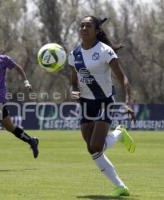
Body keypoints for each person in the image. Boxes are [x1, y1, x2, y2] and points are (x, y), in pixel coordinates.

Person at [68, 16, 136, 196]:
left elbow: (123, 79)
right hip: (85, 104)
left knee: (96, 145)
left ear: (97, 30)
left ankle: (120, 134)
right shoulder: (74, 54)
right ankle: (121, 186)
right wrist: (74, 93)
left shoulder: (105, 51)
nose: (83, 28)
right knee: (92, 148)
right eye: (81, 25)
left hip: (104, 102)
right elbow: (74, 82)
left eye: (88, 25)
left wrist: (128, 103)